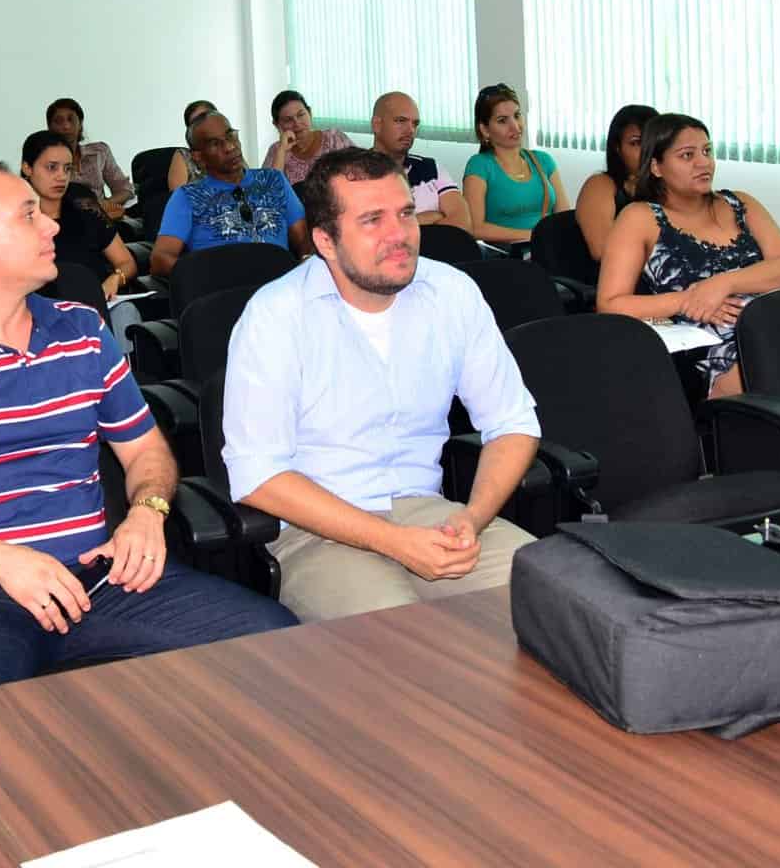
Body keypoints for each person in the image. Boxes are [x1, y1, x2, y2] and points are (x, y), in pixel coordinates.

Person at [0, 164, 296, 700]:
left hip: (104, 580)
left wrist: (149, 513)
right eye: (28, 215)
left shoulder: (80, 328)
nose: (51, 226)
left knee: (277, 646)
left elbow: (146, 449)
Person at [222, 148, 541, 621]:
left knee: (556, 602)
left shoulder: (451, 293)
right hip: (319, 532)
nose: (400, 235)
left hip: (429, 513)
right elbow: (258, 476)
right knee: (400, 647)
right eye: (372, 220)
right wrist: (393, 541)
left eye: (406, 213)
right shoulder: (276, 316)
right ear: (325, 242)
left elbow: (512, 422)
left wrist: (471, 519)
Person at [597, 114, 780, 398]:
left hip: (776, 321)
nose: (703, 162)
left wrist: (722, 284)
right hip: (712, 344)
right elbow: (610, 304)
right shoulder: (640, 217)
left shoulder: (741, 203)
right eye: (687, 155)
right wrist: (690, 299)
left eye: (707, 151)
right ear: (656, 166)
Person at [149, 111, 311, 277]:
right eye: (215, 144)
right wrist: (204, 276)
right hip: (224, 289)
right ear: (198, 157)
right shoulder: (188, 196)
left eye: (231, 136)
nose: (230, 147)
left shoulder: (273, 180)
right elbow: (161, 259)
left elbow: (303, 239)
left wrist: (306, 266)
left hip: (278, 284)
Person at [23, 131, 138, 301]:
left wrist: (114, 280)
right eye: (51, 167)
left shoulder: (83, 201)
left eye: (67, 168)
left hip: (98, 302)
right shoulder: (14, 215)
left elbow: (127, 263)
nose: (61, 176)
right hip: (44, 309)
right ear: (28, 168)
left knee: (126, 313)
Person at [463, 84, 572, 247]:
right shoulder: (479, 165)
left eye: (517, 115)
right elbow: (475, 228)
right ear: (485, 130)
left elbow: (564, 218)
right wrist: (533, 235)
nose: (515, 126)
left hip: (551, 251)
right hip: (508, 259)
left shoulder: (544, 160)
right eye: (502, 121)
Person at [370, 91, 469, 229]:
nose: (410, 130)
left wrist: (409, 224)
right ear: (377, 124)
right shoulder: (356, 172)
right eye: (400, 121)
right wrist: (430, 217)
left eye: (415, 124)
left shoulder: (431, 168)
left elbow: (463, 223)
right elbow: (377, 230)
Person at [574, 104, 659, 262]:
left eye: (652, 142)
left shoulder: (668, 185)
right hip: (615, 278)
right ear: (617, 148)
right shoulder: (600, 185)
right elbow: (602, 250)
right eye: (635, 143)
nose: (646, 150)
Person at [47, 97, 132, 219]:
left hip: (104, 217)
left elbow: (125, 189)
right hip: (68, 220)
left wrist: (105, 204)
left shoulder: (99, 151)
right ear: (50, 127)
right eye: (58, 121)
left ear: (80, 124)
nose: (66, 126)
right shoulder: (46, 161)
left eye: (71, 119)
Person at [263, 90, 354, 186]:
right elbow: (269, 192)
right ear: (277, 125)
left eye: (301, 115)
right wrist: (282, 151)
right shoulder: (276, 150)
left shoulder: (334, 138)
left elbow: (361, 172)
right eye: (288, 120)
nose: (297, 123)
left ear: (310, 113)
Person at [165, 99, 216, 194]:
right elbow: (178, 201)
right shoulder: (184, 157)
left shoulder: (230, 149)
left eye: (204, 118)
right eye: (194, 123)